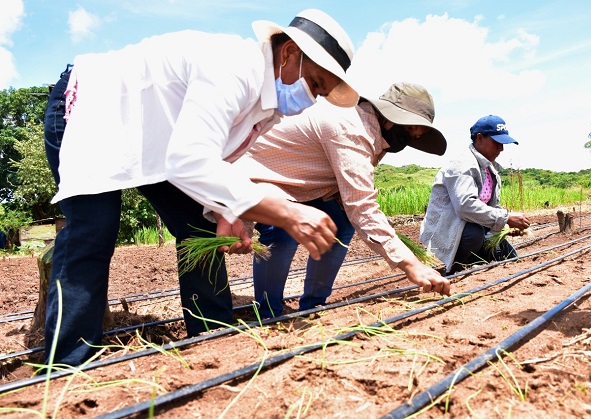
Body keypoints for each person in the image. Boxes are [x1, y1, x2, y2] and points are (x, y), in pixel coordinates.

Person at [42, 9, 358, 367]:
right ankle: (67, 363)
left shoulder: (268, 109)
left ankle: (213, 337)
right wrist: (285, 211)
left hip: (161, 139)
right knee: (94, 228)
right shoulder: (235, 67)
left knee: (199, 226)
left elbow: (215, 159)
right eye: (315, 84)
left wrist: (225, 210)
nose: (312, 99)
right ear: (288, 53)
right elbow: (189, 160)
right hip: (92, 106)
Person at [234, 82, 452, 319]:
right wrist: (412, 265)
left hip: (305, 186)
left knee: (342, 222)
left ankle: (313, 305)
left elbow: (351, 196)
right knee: (281, 229)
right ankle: (267, 313)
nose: (413, 136)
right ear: (390, 117)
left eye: (417, 134)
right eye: (410, 129)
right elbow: (363, 208)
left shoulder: (376, 133)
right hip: (265, 177)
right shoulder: (352, 130)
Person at [420, 115, 531, 275]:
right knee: (475, 233)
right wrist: (506, 218)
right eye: (497, 142)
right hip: (448, 229)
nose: (501, 148)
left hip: (473, 226)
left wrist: (506, 225)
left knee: (510, 257)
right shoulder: (462, 165)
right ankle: (455, 269)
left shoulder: (489, 168)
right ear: (480, 138)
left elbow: (490, 207)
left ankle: (473, 261)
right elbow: (465, 206)